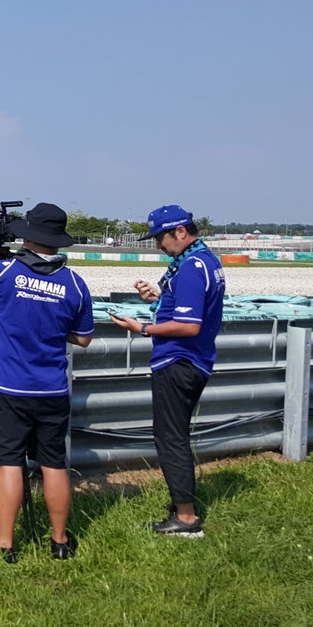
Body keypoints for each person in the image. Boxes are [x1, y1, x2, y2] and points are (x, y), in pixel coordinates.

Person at [0, 202, 93, 563]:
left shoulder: (2, 272)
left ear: (27, 234)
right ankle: (60, 541)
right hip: (52, 389)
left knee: (10, 464)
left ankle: (5, 544)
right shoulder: (75, 283)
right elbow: (84, 338)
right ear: (59, 241)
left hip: (8, 386)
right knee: (53, 464)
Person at [107, 205, 226, 537]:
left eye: (160, 237)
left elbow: (188, 326)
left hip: (179, 361)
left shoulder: (189, 268)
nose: (158, 245)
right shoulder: (206, 261)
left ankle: (187, 520)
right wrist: (159, 296)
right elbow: (189, 307)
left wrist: (141, 328)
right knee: (175, 435)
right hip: (195, 360)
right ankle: (181, 505)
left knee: (170, 438)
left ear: (181, 232)